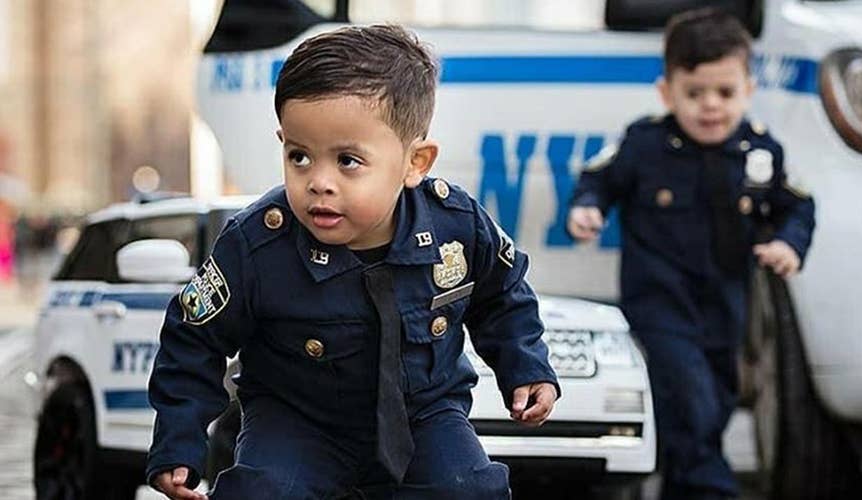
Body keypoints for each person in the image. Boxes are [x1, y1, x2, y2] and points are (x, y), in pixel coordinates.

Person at [146, 24, 559, 500]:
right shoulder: (257, 244)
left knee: (469, 489)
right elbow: (193, 338)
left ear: (415, 162)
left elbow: (503, 295)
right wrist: (178, 441)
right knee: (263, 491)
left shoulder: (456, 225)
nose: (319, 182)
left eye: (347, 161)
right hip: (296, 424)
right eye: (299, 156)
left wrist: (526, 368)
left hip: (424, 417)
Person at [567, 8, 815, 500]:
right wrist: (588, 209)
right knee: (690, 397)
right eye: (694, 93)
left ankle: (683, 486)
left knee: (714, 403)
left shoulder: (759, 153)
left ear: (748, 89)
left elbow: (798, 206)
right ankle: (713, 489)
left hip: (725, 309)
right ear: (667, 92)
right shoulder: (645, 143)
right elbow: (598, 180)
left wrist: (788, 243)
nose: (710, 107)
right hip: (660, 304)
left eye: (725, 93)